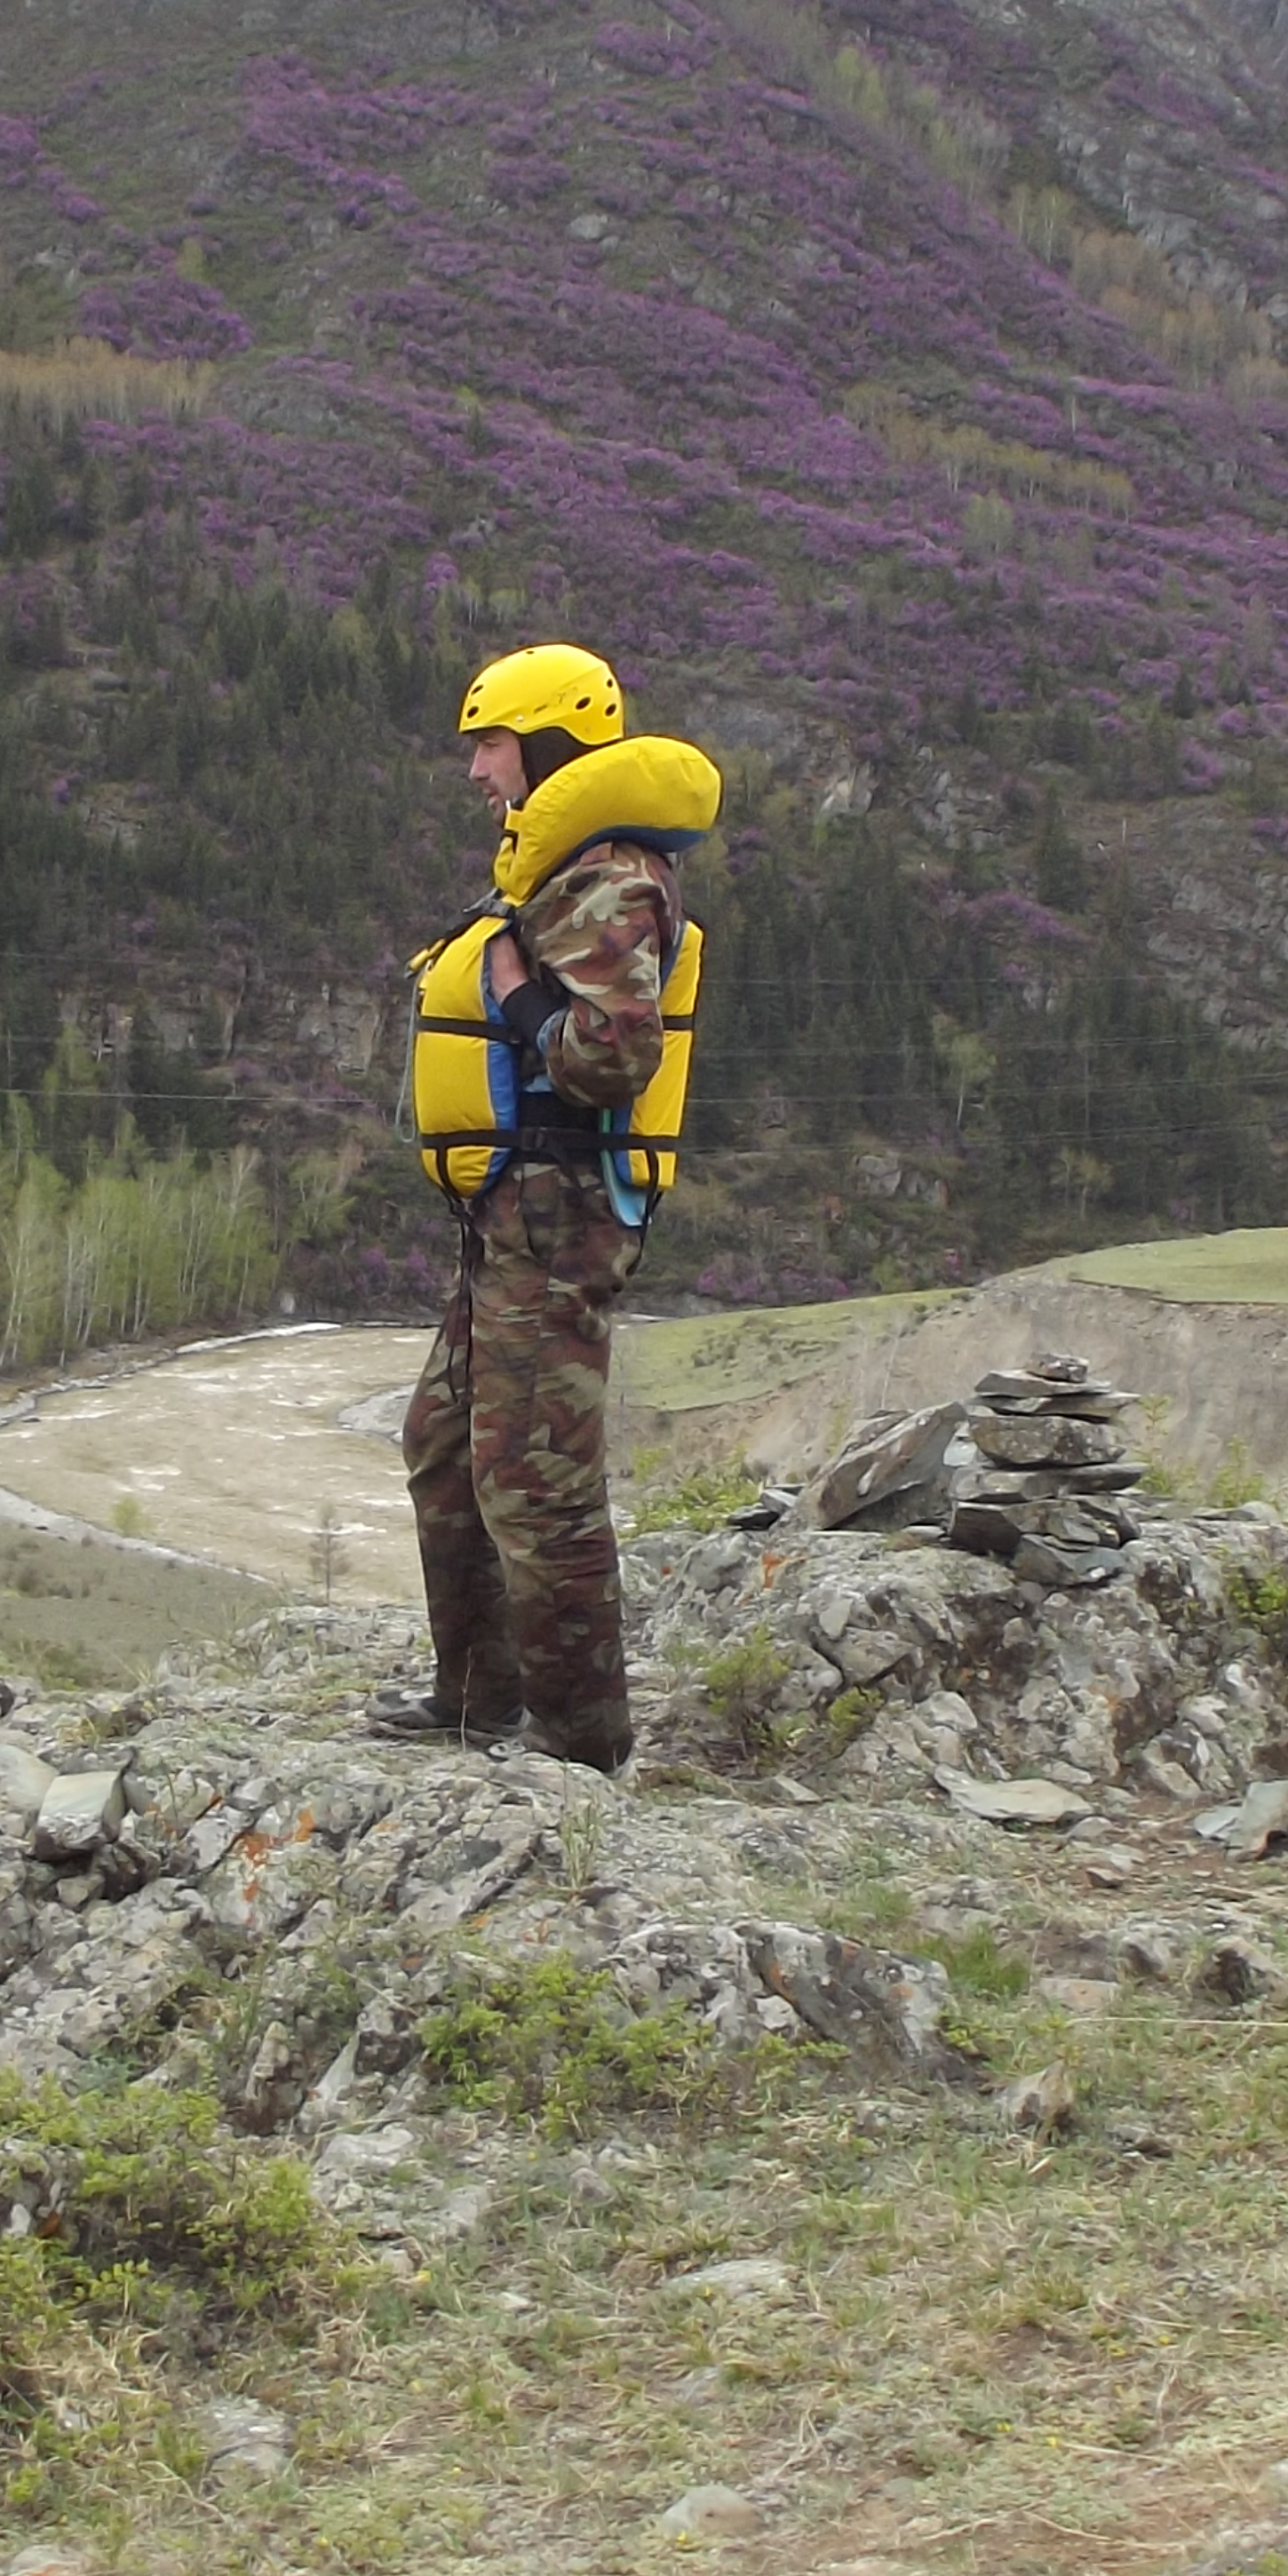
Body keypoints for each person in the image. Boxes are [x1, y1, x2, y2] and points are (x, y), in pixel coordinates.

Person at [371, 644, 719, 1769]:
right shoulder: (556, 868)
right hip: (510, 1217)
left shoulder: (608, 879)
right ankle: (477, 1698)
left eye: (492, 742)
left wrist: (519, 1002)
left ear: (553, 740)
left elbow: (612, 1058)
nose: (477, 768)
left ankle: (580, 1739)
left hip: (560, 1218)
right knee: (443, 1443)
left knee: (534, 1477)